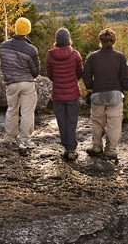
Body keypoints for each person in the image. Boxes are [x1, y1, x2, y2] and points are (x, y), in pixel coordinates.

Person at [82, 27, 128, 162]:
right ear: (113, 41)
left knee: (97, 122)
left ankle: (97, 147)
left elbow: (86, 74)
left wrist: (90, 86)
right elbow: (126, 77)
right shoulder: (120, 57)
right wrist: (123, 88)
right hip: (115, 94)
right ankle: (111, 151)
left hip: (98, 94)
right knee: (114, 124)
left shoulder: (93, 57)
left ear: (101, 41)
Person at [0, 17, 40, 155]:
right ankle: (25, 140)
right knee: (27, 112)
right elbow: (36, 71)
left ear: (16, 28)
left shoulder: (3, 46)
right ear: (28, 30)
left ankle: (10, 137)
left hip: (11, 83)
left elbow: (3, 64)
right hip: (27, 83)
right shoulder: (31, 49)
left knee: (12, 110)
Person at [46, 28, 84, 161]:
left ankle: (66, 147)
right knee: (71, 122)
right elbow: (80, 73)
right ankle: (72, 149)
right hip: (72, 93)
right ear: (68, 39)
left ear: (56, 40)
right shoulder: (75, 55)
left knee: (62, 122)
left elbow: (50, 75)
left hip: (57, 95)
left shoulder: (50, 56)